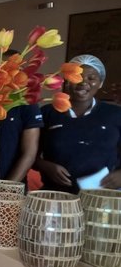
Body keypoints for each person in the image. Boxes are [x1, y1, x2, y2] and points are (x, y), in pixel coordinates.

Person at [34, 54, 121, 193]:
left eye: (91, 78)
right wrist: (45, 166)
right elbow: (29, 153)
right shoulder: (48, 112)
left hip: (103, 195)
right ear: (67, 80)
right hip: (56, 194)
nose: (83, 82)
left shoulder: (115, 114)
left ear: (100, 83)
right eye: (77, 76)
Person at [0, 50, 43, 182]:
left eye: (13, 70)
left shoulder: (27, 103)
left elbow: (29, 154)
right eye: (2, 68)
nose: (7, 73)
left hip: (11, 186)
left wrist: (6, 188)